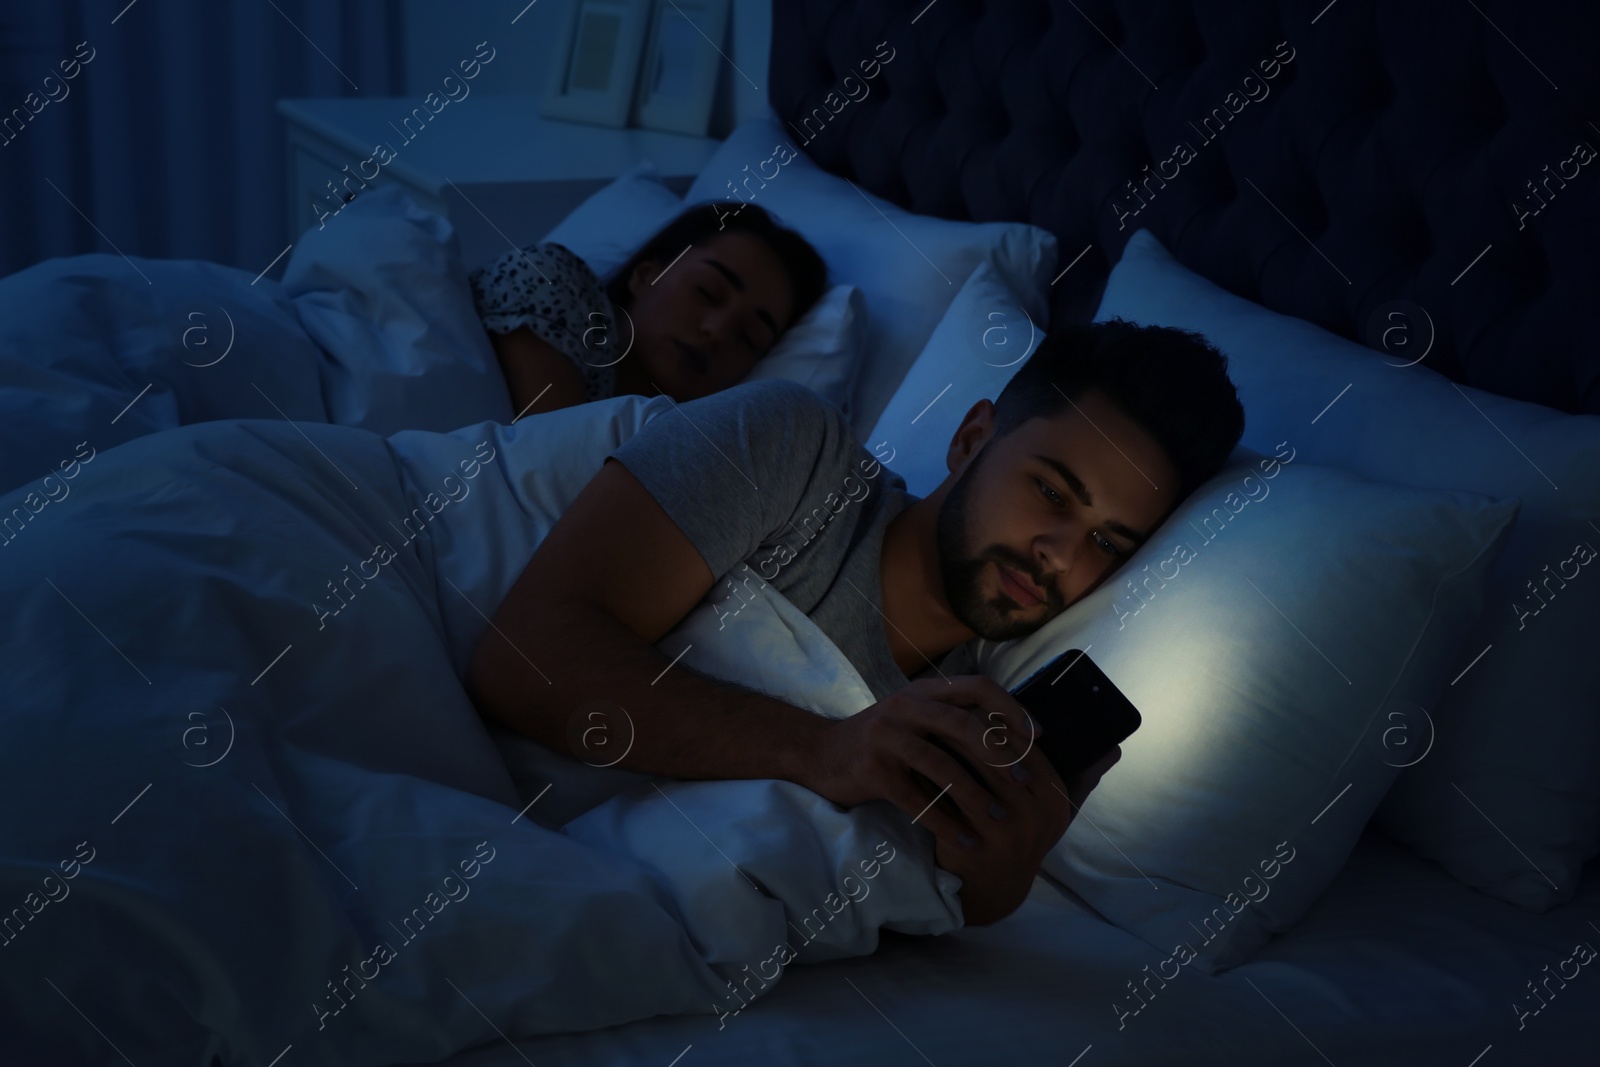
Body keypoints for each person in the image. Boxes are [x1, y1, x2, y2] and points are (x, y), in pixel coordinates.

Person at [465, 317, 1246, 926]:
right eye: (1050, 492)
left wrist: (995, 885)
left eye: (1108, 542)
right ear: (972, 440)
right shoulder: (797, 454)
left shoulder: (974, 716)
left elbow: (892, 906)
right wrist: (824, 748)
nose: (1058, 553)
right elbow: (521, 655)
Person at [468, 201, 828, 418]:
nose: (717, 331)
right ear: (645, 275)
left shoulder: (683, 454)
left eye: (748, 338)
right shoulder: (553, 280)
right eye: (707, 291)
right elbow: (547, 470)